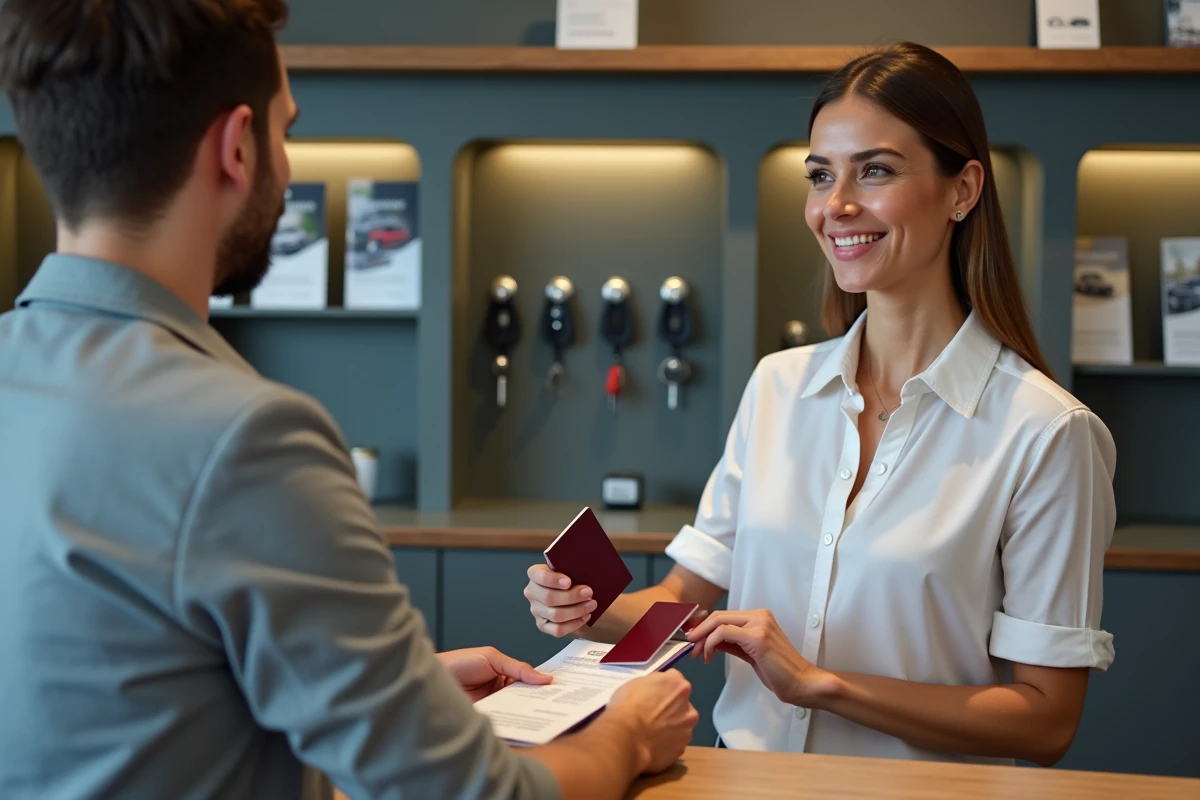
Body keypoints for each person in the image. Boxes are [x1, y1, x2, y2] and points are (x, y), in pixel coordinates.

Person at [0, 2, 698, 799]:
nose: (287, 165)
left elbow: (112, 693)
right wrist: (625, 736)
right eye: (285, 131)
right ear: (236, 147)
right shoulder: (245, 437)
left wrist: (397, 691)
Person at [525, 41, 1117, 768]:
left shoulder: (1047, 433)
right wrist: (588, 608)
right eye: (819, 175)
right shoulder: (776, 387)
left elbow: (1044, 720)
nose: (836, 206)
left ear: (963, 190)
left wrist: (819, 683)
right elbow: (684, 600)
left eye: (875, 171)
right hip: (736, 778)